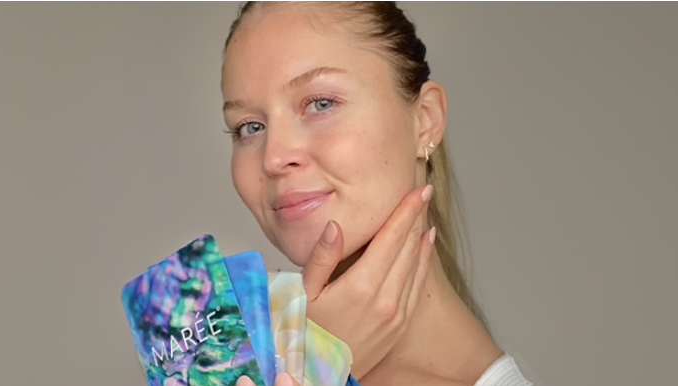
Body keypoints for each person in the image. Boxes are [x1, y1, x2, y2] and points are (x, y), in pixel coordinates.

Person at [220, 2, 533, 385]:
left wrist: (322, 360)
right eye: (249, 127)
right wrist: (313, 362)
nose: (275, 156)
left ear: (425, 120)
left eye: (321, 103)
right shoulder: (211, 360)